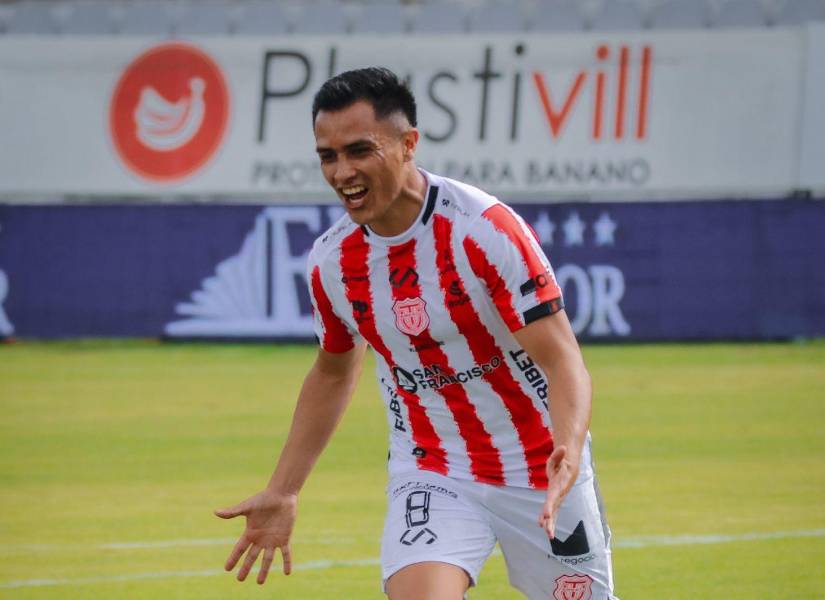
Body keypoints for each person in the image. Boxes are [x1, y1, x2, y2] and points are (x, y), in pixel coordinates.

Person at [215, 67, 617, 600]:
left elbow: (563, 359)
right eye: (327, 156)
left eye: (359, 150)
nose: (342, 172)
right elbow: (334, 371)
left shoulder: (484, 231)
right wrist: (284, 489)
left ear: (408, 144)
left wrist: (566, 447)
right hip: (434, 465)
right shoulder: (332, 262)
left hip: (541, 463)